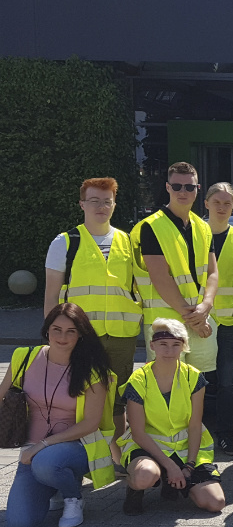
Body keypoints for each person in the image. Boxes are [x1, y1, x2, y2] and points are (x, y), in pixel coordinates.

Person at [45, 177, 140, 471]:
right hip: (80, 338)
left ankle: (116, 459)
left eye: (107, 201)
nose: (101, 206)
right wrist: (51, 341)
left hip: (122, 335)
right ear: (82, 204)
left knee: (118, 402)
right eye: (94, 200)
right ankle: (78, 460)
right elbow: (51, 295)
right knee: (78, 401)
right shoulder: (65, 242)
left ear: (114, 204)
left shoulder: (128, 242)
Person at [2, 304, 115, 527]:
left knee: (46, 463)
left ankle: (73, 497)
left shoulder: (93, 371)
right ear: (46, 330)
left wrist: (42, 446)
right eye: (57, 329)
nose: (62, 337)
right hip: (32, 450)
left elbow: (90, 423)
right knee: (18, 525)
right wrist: (34, 448)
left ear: (81, 335)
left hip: (77, 446)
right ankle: (53, 484)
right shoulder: (23, 357)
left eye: (71, 331)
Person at [118, 318, 226, 516]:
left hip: (185, 450)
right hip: (147, 448)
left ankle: (173, 481)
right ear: (152, 346)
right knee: (145, 475)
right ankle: (135, 489)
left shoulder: (194, 377)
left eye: (176, 345)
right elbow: (138, 434)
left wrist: (189, 466)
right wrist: (171, 467)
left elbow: (195, 426)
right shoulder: (139, 379)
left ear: (184, 347)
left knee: (215, 502)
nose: (169, 351)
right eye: (163, 345)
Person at [131, 161, 219, 372]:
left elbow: (213, 273)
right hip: (164, 323)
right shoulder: (151, 226)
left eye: (189, 187)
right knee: (166, 387)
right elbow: (160, 277)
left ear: (197, 190)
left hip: (199, 317)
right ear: (168, 187)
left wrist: (206, 306)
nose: (183, 191)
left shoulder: (203, 227)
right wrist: (195, 320)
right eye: (177, 186)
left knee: (198, 385)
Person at [203, 182, 233, 456]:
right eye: (216, 201)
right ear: (206, 203)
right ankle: (188, 433)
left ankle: (225, 434)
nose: (221, 207)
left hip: (229, 322)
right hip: (196, 321)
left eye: (227, 202)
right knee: (192, 382)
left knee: (228, 383)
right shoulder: (192, 233)